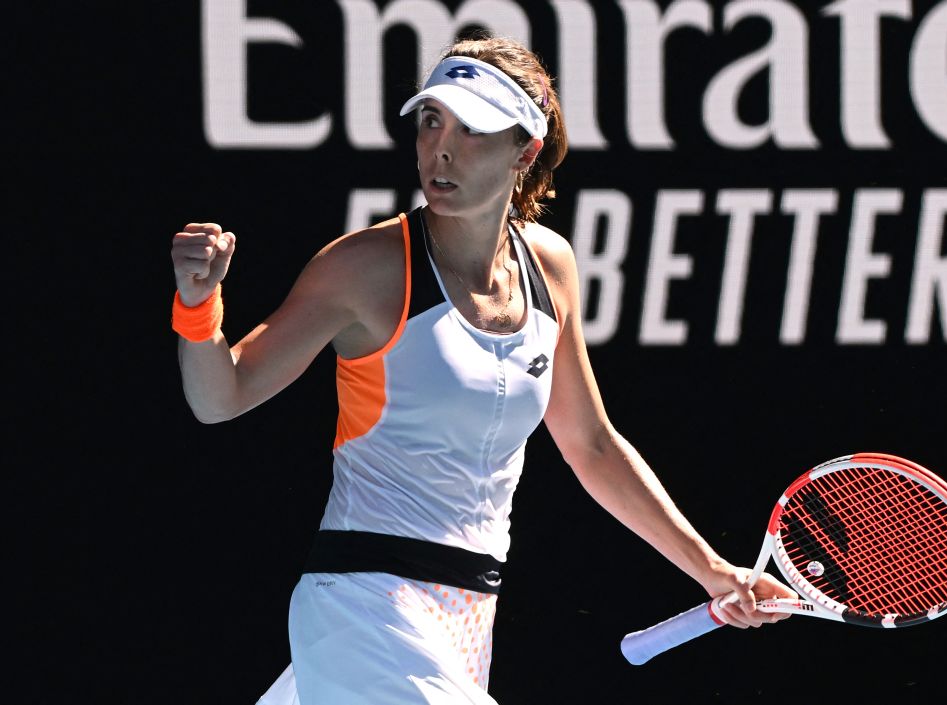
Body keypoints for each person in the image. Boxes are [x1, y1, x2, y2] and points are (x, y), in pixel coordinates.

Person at [170, 33, 796, 705]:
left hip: (469, 615)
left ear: (524, 150)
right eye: (432, 119)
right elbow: (222, 394)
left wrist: (712, 570)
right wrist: (198, 305)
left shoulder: (550, 269)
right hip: (362, 603)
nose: (440, 147)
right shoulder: (365, 268)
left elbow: (591, 445)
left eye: (473, 129)